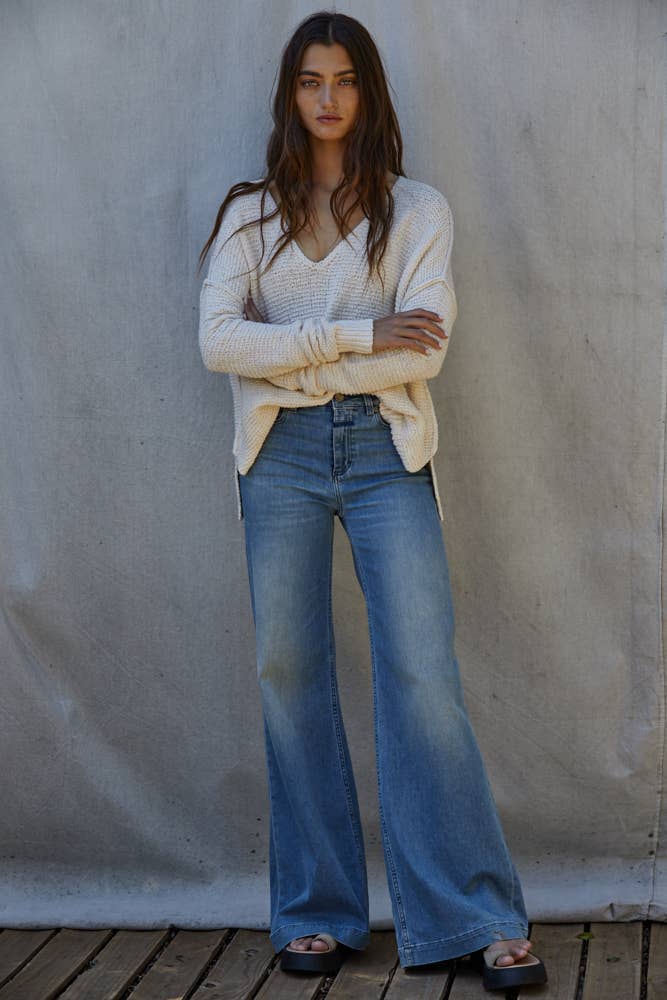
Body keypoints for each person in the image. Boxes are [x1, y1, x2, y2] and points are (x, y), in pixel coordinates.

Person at [197, 9, 547, 992]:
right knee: (287, 671)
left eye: (345, 79)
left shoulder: (416, 210)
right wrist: (357, 337)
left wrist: (287, 358)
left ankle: (473, 915)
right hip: (278, 457)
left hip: (389, 453)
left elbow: (422, 351)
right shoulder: (250, 216)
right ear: (289, 93)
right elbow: (218, 341)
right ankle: (316, 912)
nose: (328, 97)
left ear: (368, 92)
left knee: (422, 674)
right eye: (311, 79)